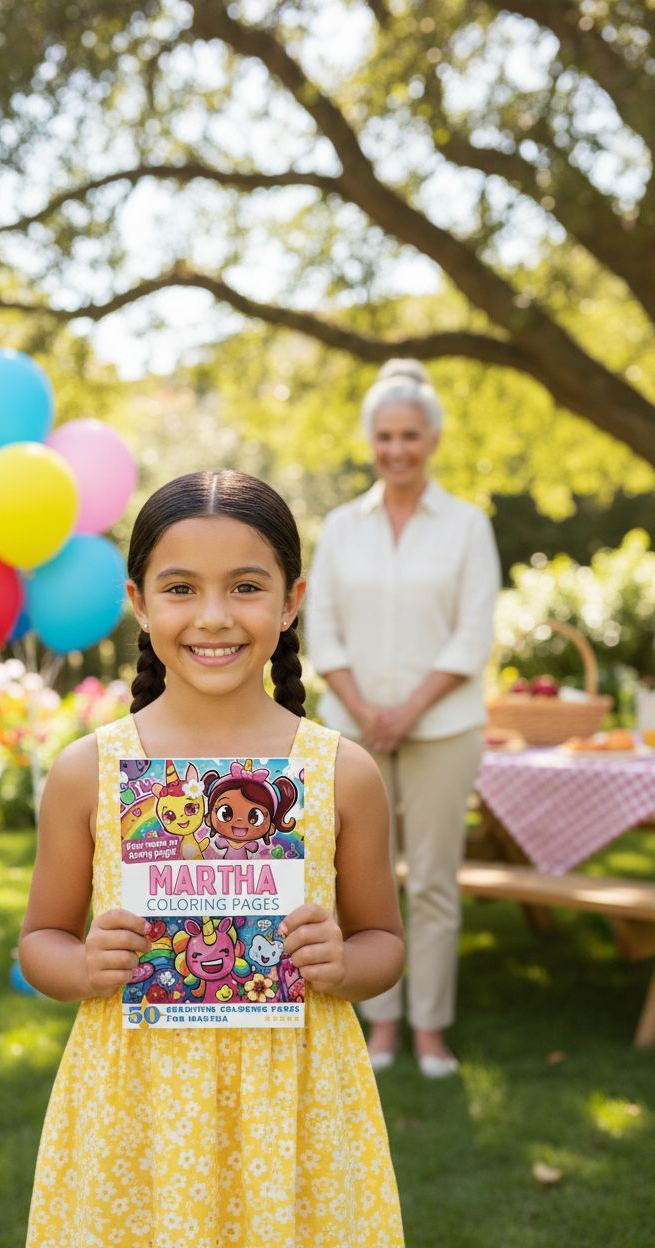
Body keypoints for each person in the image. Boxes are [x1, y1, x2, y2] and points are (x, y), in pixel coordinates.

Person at [20, 470, 405, 1248]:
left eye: (246, 586)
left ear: (292, 600)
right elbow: (40, 942)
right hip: (136, 1102)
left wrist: (343, 961)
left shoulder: (343, 773)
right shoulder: (88, 771)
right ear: (139, 601)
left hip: (294, 1101)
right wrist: (84, 965)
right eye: (182, 589)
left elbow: (384, 944)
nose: (215, 617)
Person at [306, 360, 500, 1078]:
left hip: (443, 728)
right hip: (351, 731)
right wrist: (364, 711)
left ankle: (429, 1029)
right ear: (370, 440)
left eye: (410, 435)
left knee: (433, 881)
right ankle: (377, 1024)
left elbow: (471, 633)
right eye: (385, 435)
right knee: (360, 884)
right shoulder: (341, 528)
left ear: (434, 438)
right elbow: (320, 626)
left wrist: (407, 711)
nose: (397, 449)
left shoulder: (467, 526)